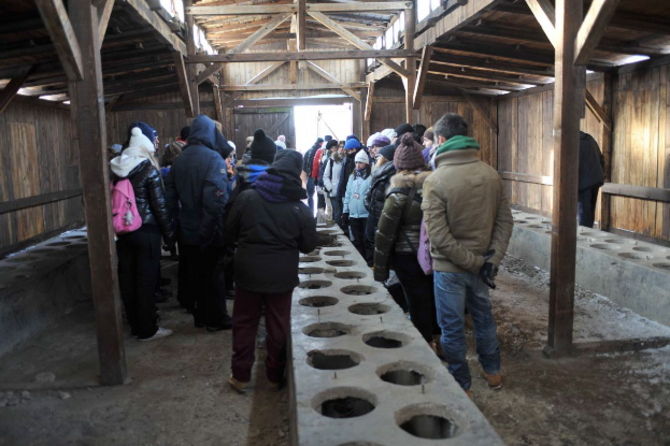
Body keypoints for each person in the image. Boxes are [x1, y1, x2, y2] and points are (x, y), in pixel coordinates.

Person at [421, 113, 513, 395]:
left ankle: (462, 383)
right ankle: (493, 372)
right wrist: (490, 261)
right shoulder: (490, 174)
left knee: (452, 328)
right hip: (482, 267)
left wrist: (473, 262)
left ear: (440, 140)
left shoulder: (436, 180)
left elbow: (438, 235)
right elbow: (505, 222)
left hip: (449, 269)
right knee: (484, 320)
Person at [227, 150, 317, 393]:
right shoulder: (299, 208)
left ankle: (240, 375)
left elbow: (229, 232)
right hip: (281, 276)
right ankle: (275, 375)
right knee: (278, 324)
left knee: (244, 323)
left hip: (247, 272)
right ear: (297, 173)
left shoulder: (247, 198)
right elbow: (309, 246)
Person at [166, 114, 232, 331]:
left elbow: (170, 198)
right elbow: (215, 199)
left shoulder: (179, 160)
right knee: (214, 275)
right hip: (208, 230)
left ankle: (200, 316)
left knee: (195, 274)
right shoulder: (213, 159)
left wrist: (174, 229)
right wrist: (209, 231)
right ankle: (217, 318)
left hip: (187, 230)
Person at [110, 122, 174, 341]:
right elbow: (159, 206)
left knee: (128, 280)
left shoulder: (114, 168)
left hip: (123, 232)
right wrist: (169, 235)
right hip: (147, 231)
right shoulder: (148, 168)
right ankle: (148, 329)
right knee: (145, 281)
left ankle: (135, 325)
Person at [374, 133, 437, 344]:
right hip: (434, 252)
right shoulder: (436, 186)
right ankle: (436, 338)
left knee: (416, 299)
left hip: (406, 255)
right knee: (431, 297)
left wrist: (380, 270)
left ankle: (424, 341)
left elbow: (384, 234)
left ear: (398, 165)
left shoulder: (398, 193)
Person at [342, 149, 372, 260]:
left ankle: (369, 262)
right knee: (357, 241)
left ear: (366, 163)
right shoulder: (352, 177)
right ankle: (360, 261)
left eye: (360, 162)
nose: (357, 165)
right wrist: (345, 211)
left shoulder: (371, 178)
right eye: (356, 162)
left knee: (367, 240)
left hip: (366, 215)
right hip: (353, 214)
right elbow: (348, 194)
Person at [578, 131, 604, 228]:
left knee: (583, 215)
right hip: (595, 180)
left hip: (583, 183)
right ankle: (588, 231)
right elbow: (601, 158)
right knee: (589, 213)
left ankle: (582, 239)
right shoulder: (589, 138)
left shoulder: (571, 141)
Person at [323, 140, 345, 226]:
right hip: (334, 192)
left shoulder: (346, 160)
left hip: (344, 192)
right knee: (337, 213)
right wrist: (330, 188)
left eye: (343, 147)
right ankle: (338, 234)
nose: (341, 149)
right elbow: (325, 176)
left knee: (343, 213)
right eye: (340, 147)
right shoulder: (331, 160)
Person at [302, 137, 323, 212]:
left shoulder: (309, 151)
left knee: (310, 195)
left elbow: (304, 164)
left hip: (310, 176)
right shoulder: (322, 151)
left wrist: (307, 174)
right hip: (319, 176)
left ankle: (311, 212)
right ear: (321, 143)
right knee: (321, 196)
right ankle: (320, 215)